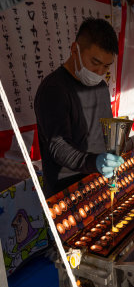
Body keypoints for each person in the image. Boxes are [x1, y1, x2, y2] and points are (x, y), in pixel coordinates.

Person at [34, 18, 123, 198]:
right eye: (95, 62)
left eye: (106, 66)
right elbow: (58, 146)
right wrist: (94, 162)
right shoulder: (54, 89)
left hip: (98, 183)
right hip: (66, 192)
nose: (99, 72)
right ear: (75, 50)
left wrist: (114, 149)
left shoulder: (100, 86)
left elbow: (104, 128)